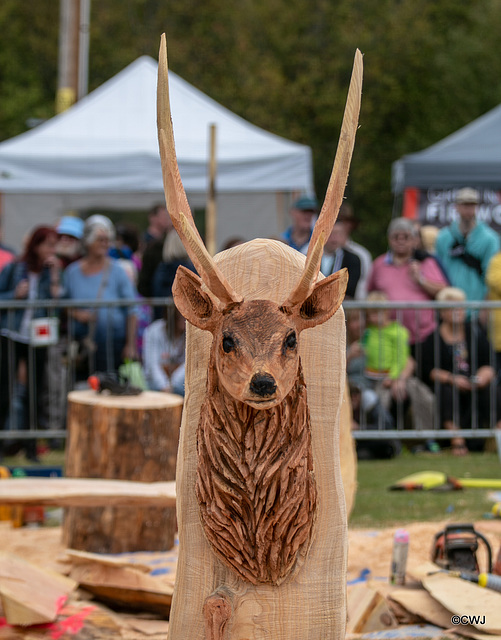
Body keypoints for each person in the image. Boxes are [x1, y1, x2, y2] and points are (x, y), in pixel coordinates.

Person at [0, 226, 62, 461]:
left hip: (38, 338)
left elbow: (58, 302)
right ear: (35, 246)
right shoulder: (15, 267)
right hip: (11, 334)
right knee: (5, 391)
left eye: (53, 245)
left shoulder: (51, 271)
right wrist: (13, 296)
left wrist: (55, 277)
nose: (51, 250)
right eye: (47, 244)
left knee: (36, 392)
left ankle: (30, 447)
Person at [419, 287, 501, 455]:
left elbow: (490, 361)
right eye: (451, 308)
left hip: (474, 384)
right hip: (449, 385)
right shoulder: (432, 339)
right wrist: (451, 378)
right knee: (446, 392)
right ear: (442, 313)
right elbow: (427, 370)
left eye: (460, 307)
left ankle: (498, 435)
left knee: (492, 389)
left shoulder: (476, 332)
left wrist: (484, 375)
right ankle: (456, 439)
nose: (457, 311)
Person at [63, 215, 138, 377]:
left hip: (113, 343)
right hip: (83, 343)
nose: (105, 244)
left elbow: (132, 310)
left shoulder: (118, 271)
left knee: (110, 386)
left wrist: (130, 345)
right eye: (100, 239)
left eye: (107, 239)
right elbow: (63, 305)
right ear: (88, 241)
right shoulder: (72, 273)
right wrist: (78, 314)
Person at [367, 217, 448, 351]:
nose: (401, 240)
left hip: (422, 336)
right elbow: (370, 294)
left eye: (406, 236)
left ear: (414, 240)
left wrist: (421, 279)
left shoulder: (426, 262)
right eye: (396, 236)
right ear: (389, 239)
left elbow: (443, 291)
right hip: (389, 336)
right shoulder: (379, 264)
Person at [435, 188, 500, 304]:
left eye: (471, 205)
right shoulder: (443, 237)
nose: (468, 210)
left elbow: (491, 274)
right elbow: (437, 270)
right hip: (449, 305)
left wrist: (486, 306)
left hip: (478, 304)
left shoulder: (490, 239)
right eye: (464, 205)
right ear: (456, 207)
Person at [142, 307, 186, 395]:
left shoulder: (191, 334)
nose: (185, 321)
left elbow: (188, 364)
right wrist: (164, 386)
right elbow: (152, 365)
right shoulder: (154, 330)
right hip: (156, 383)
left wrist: (172, 384)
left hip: (180, 384)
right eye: (180, 317)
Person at [337, 202, 372, 299]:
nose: (340, 225)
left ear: (350, 225)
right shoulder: (312, 250)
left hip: (352, 309)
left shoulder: (362, 254)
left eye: (344, 221)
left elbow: (364, 284)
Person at [320, 221, 361, 299]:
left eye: (338, 233)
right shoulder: (310, 256)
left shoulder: (352, 259)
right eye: (331, 233)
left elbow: (350, 288)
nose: (334, 237)